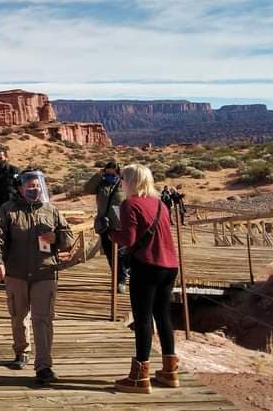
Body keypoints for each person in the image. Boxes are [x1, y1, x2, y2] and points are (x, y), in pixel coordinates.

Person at [0, 169, 73, 385]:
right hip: (16, 272)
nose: (34, 190)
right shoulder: (8, 210)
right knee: (18, 314)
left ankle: (44, 366)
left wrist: (57, 238)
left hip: (45, 271)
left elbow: (68, 237)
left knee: (43, 319)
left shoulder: (51, 210)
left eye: (37, 186)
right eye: (30, 186)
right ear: (20, 188)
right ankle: (21, 350)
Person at [110, 163, 181, 394]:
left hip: (147, 265)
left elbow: (129, 239)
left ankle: (140, 377)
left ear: (130, 181)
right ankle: (170, 371)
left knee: (142, 319)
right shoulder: (160, 204)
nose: (122, 183)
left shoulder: (130, 204)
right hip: (170, 265)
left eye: (124, 179)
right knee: (163, 316)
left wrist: (108, 231)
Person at [85, 161, 129, 293]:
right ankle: (116, 277)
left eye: (113, 173)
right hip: (104, 225)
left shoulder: (123, 184)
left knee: (120, 253)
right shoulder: (101, 184)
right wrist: (98, 175)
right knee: (109, 253)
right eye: (107, 172)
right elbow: (87, 189)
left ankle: (121, 280)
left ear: (118, 172)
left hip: (119, 225)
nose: (110, 175)